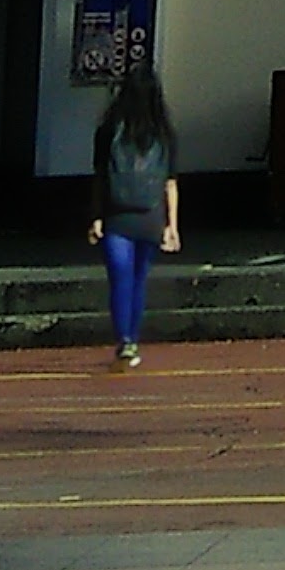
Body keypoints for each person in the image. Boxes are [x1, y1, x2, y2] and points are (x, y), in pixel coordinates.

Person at [85, 62, 181, 369]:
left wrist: (96, 216)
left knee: (120, 277)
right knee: (139, 279)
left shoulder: (108, 131)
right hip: (151, 214)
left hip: (116, 214)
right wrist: (171, 225)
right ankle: (132, 338)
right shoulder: (164, 134)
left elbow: (99, 176)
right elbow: (170, 183)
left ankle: (125, 339)